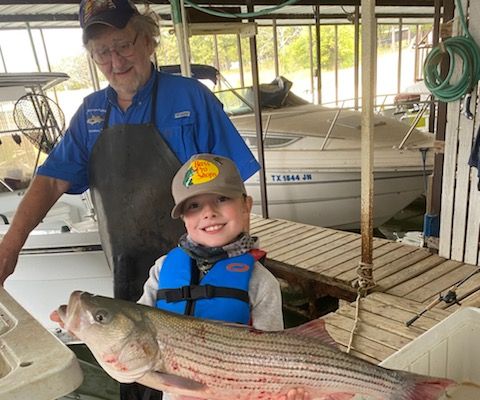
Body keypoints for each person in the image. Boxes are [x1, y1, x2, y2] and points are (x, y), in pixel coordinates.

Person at [0, 0, 259, 291]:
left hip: (203, 273)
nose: (116, 61)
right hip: (127, 276)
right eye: (102, 52)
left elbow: (233, 189)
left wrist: (240, 270)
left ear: (148, 41)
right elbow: (49, 183)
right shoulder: (90, 114)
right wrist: (10, 246)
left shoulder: (192, 98)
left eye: (123, 45)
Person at [137, 153, 309, 400]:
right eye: (194, 206)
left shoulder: (262, 282)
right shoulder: (162, 269)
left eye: (222, 198)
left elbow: (273, 357)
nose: (209, 212)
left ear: (246, 205)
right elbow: (135, 327)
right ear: (184, 218)